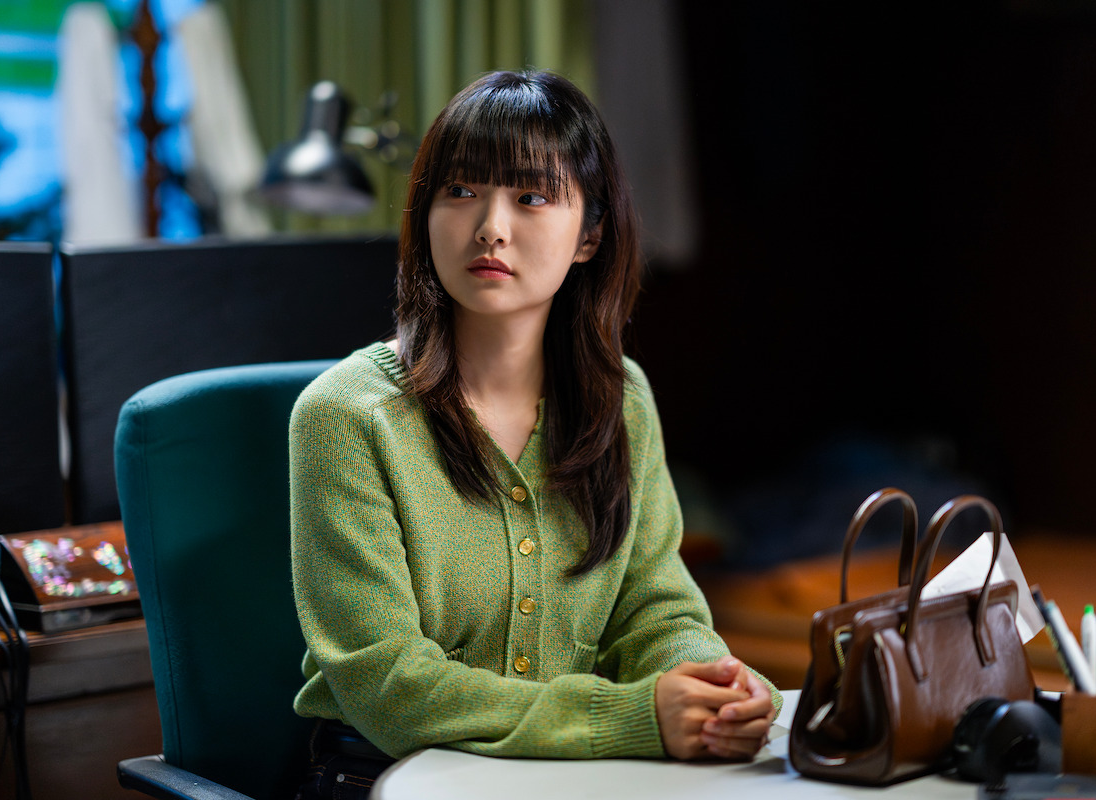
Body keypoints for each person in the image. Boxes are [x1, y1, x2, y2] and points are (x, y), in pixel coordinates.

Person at [289, 69, 780, 799]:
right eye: (460, 191)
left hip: (576, 778)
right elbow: (388, 682)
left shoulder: (622, 400)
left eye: (531, 197)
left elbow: (655, 606)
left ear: (590, 236)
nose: (491, 226)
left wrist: (712, 684)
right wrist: (632, 716)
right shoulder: (345, 418)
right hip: (385, 778)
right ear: (425, 214)